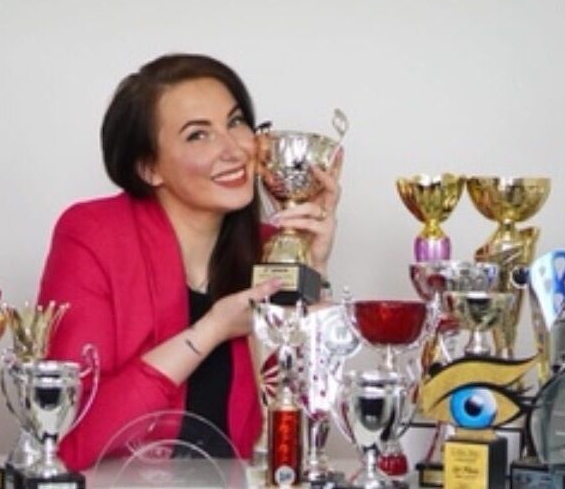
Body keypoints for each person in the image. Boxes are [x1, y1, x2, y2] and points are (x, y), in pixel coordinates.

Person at [36, 53, 343, 471]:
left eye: (236, 122)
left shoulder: (272, 250)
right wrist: (212, 330)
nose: (234, 149)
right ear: (148, 168)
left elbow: (299, 440)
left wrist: (313, 270)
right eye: (199, 135)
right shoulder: (92, 233)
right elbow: (68, 438)